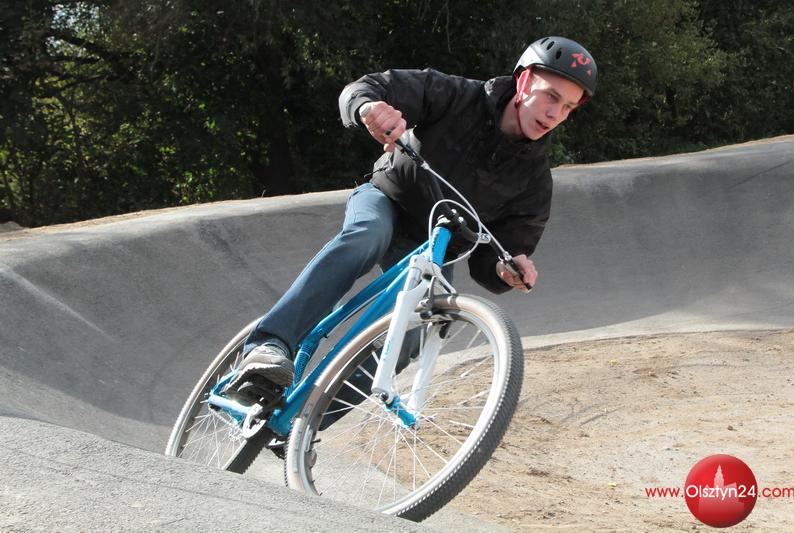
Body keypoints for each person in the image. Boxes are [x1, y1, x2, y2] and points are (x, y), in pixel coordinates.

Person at [224, 36, 598, 403]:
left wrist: (506, 270)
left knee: (419, 330)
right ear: (524, 81)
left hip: (437, 246)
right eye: (551, 96)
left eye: (568, 107)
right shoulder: (457, 96)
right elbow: (364, 88)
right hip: (389, 200)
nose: (555, 114)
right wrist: (368, 108)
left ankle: (307, 419)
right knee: (366, 236)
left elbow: (499, 250)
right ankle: (269, 345)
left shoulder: (534, 180)